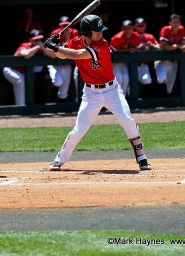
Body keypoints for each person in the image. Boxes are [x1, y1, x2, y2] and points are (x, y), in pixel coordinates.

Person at [43, 15, 151, 171]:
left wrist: (54, 46)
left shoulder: (103, 45)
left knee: (126, 119)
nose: (101, 33)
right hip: (91, 93)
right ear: (87, 32)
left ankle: (141, 156)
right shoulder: (75, 42)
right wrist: (54, 45)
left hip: (112, 91)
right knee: (79, 129)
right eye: (97, 31)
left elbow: (77, 55)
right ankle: (59, 160)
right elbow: (62, 54)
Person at [3, 29, 53, 106]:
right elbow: (25, 54)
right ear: (30, 40)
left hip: (23, 72)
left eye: (39, 39)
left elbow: (53, 55)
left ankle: (23, 106)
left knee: (28, 81)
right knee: (20, 79)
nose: (38, 41)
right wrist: (37, 47)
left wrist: (43, 48)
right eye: (36, 40)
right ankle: (21, 107)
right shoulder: (24, 45)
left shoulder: (40, 48)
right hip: (11, 70)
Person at [155, 14, 185, 95]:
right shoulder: (165, 29)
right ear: (170, 22)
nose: (176, 24)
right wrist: (177, 46)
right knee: (161, 80)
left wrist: (179, 47)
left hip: (173, 61)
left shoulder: (182, 29)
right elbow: (163, 46)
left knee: (170, 87)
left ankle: (167, 103)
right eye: (174, 22)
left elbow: (184, 46)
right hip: (162, 60)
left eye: (177, 22)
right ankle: (158, 101)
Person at [48, 16, 77, 101]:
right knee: (57, 83)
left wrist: (68, 38)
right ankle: (51, 99)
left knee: (64, 93)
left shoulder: (74, 32)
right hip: (55, 63)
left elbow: (73, 49)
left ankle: (59, 106)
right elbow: (53, 50)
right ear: (59, 26)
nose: (65, 27)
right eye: (63, 26)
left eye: (67, 25)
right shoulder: (55, 33)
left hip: (66, 63)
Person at [110, 19, 140, 96]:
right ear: (122, 28)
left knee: (126, 78)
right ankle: (115, 98)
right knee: (119, 79)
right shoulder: (117, 38)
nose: (127, 30)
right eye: (125, 28)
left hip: (123, 62)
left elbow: (136, 47)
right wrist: (127, 49)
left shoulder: (135, 36)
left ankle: (123, 98)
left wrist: (134, 49)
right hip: (114, 62)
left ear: (132, 28)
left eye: (129, 27)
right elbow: (114, 52)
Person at [133, 17, 160, 86]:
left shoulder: (149, 37)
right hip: (132, 65)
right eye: (139, 25)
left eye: (143, 25)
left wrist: (152, 45)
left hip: (144, 65)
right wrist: (138, 47)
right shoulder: (131, 36)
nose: (141, 27)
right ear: (135, 26)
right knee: (130, 81)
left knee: (147, 81)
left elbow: (160, 47)